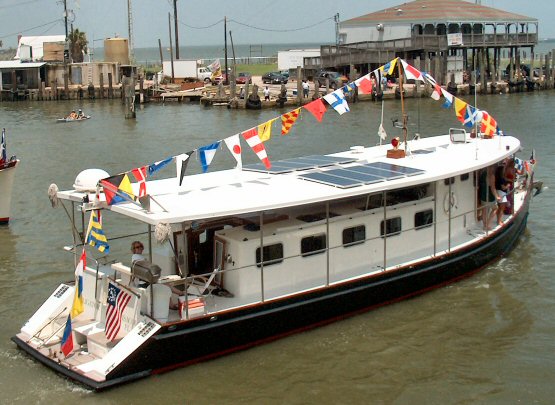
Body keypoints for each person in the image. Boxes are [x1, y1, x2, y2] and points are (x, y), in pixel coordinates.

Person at [478, 166, 498, 230]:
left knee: (484, 210)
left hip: (483, 195)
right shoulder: (491, 176)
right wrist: (497, 196)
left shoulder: (483, 173)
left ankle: (484, 225)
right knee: (495, 209)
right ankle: (488, 224)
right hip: (489, 196)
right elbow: (493, 188)